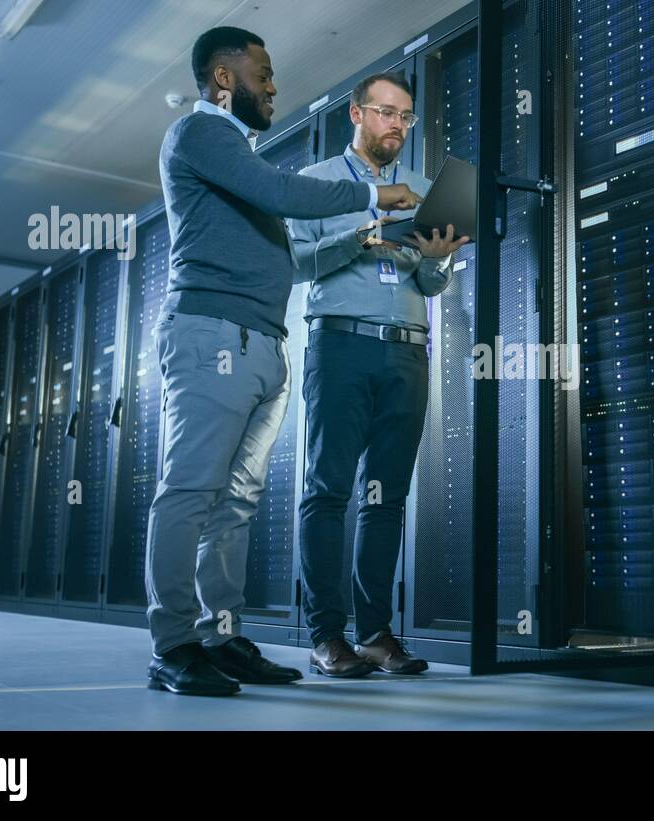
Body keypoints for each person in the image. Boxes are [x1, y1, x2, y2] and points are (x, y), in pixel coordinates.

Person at [146, 29, 421, 696]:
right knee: (191, 490)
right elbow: (287, 196)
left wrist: (387, 243)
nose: (273, 86)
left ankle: (219, 633)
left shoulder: (238, 156)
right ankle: (173, 642)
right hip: (214, 333)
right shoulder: (200, 134)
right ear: (221, 77)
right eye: (261, 74)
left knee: (236, 501)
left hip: (262, 341)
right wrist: (371, 198)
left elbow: (285, 249)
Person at [288, 72, 468, 677]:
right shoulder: (315, 186)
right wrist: (359, 237)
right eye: (386, 112)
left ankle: (374, 634)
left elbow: (430, 282)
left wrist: (439, 262)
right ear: (357, 115)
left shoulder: (421, 190)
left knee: (386, 498)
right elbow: (294, 262)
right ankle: (325, 634)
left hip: (406, 352)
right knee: (328, 490)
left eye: (406, 116)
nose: (397, 124)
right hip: (340, 346)